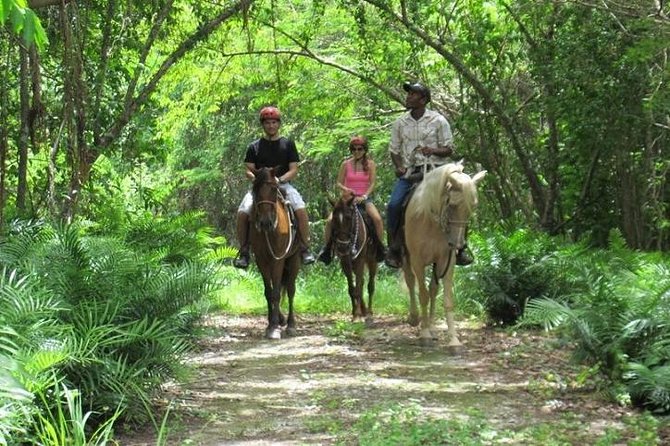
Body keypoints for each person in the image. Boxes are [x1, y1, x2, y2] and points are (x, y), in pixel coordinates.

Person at [384, 81, 473, 269]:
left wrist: (431, 150)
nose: (408, 97)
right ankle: (394, 247)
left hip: (436, 171)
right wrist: (399, 166)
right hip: (411, 173)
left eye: (412, 94)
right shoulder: (400, 123)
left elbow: (449, 148)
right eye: (408, 94)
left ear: (423, 99)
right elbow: (394, 149)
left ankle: (462, 246)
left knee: (460, 198)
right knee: (393, 205)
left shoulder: (438, 120)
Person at [233, 106, 316, 268]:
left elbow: (294, 169)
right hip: (260, 187)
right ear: (262, 125)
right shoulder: (254, 146)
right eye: (267, 123)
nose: (271, 126)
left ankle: (305, 248)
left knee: (300, 208)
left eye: (274, 122)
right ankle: (244, 251)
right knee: (243, 211)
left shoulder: (288, 144)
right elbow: (248, 170)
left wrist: (279, 179)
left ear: (278, 124)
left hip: (283, 184)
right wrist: (257, 180)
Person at [317, 135, 386, 265]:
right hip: (346, 199)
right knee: (330, 220)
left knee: (377, 219)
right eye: (354, 149)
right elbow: (338, 182)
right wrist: (346, 190)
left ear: (364, 149)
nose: (356, 151)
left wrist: (364, 196)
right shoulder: (346, 164)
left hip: (364, 198)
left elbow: (372, 183)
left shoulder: (370, 164)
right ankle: (326, 249)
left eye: (360, 149)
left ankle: (380, 248)